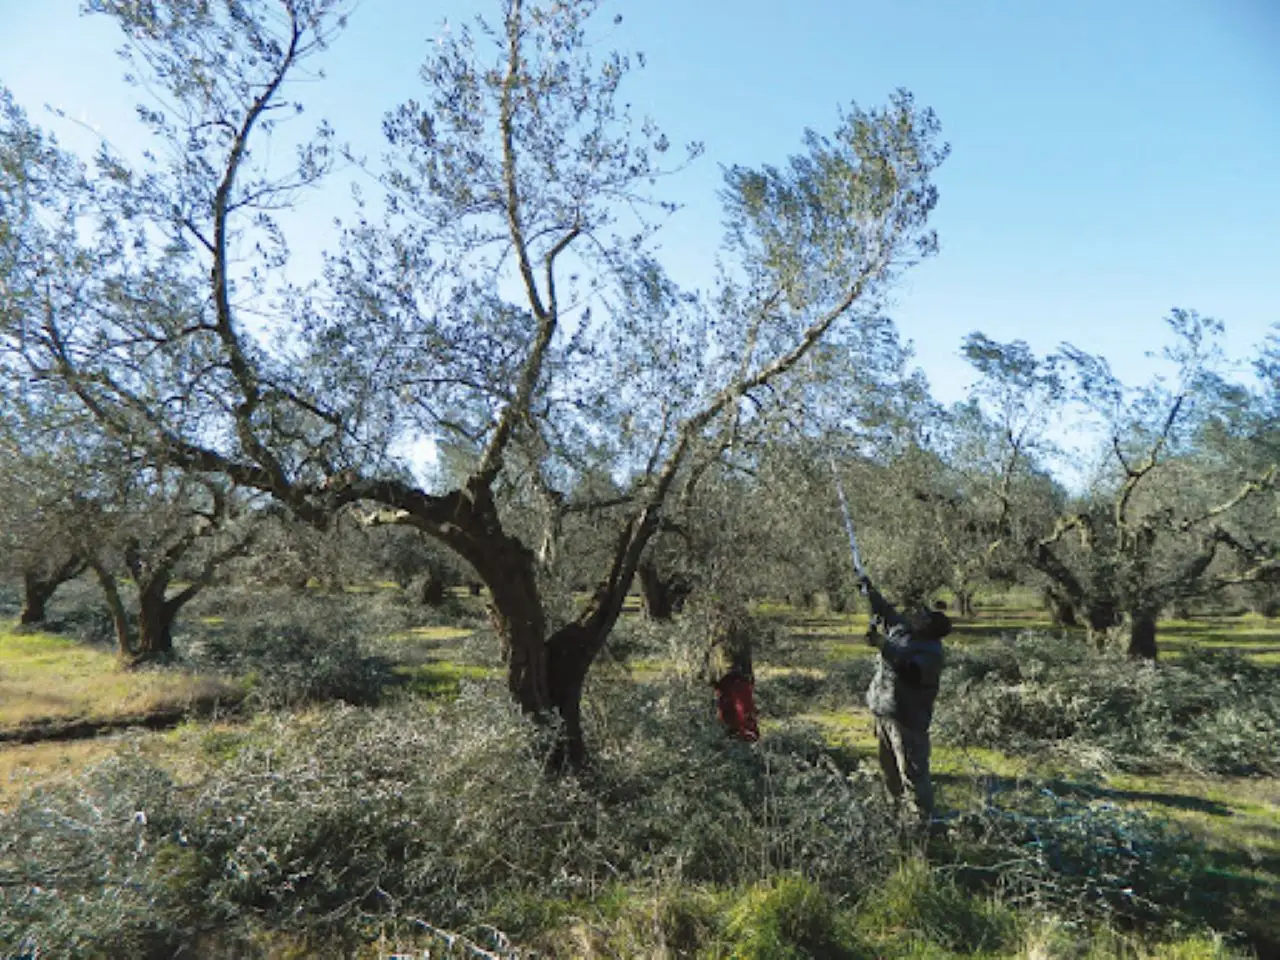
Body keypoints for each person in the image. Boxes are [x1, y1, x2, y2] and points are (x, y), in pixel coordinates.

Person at [859, 575, 950, 822]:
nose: (917, 615)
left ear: (930, 629)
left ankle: (924, 823)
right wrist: (870, 591)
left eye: (924, 617)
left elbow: (910, 672)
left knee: (913, 774)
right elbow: (884, 610)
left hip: (907, 721)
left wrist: (883, 645)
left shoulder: (932, 653)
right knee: (889, 771)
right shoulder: (901, 629)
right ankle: (897, 817)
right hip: (884, 712)